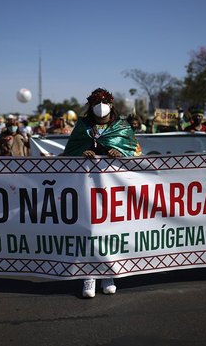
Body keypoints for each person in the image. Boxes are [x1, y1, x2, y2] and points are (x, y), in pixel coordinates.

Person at [63, 88, 142, 298]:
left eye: (104, 102)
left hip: (112, 188)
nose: (101, 106)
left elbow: (135, 152)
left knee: (109, 229)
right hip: (86, 187)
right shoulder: (83, 126)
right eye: (96, 103)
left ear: (111, 105)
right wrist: (82, 152)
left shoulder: (122, 127)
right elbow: (70, 150)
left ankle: (108, 273)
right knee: (88, 229)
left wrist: (120, 153)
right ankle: (88, 276)